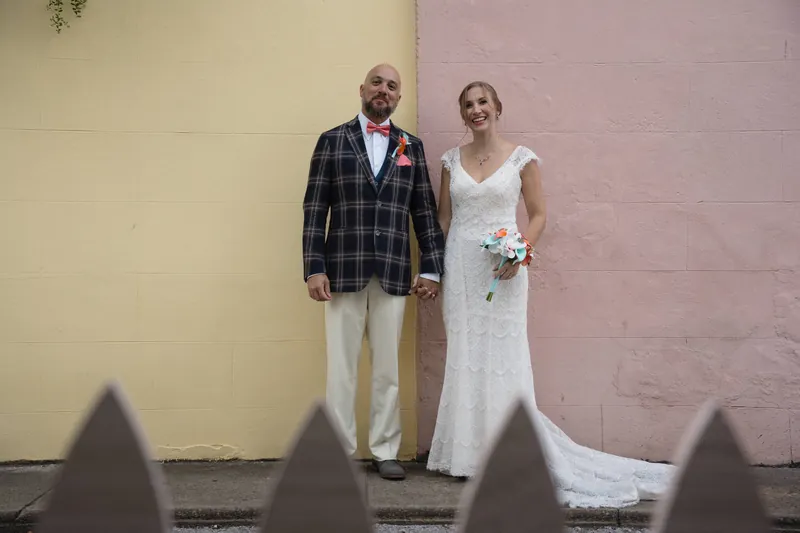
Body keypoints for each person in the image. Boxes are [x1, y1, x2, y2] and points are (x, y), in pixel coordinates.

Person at [425, 81, 675, 507]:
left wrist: (520, 252)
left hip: (504, 272)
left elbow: (539, 214)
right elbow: (444, 220)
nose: (475, 109)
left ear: (497, 107)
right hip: (462, 272)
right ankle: (468, 455)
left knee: (503, 358)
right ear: (463, 114)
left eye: (482, 101)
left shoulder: (522, 158)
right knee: (465, 354)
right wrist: (432, 271)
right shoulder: (451, 161)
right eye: (468, 105)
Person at [302, 63, 445, 480]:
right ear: (362, 89)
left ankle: (385, 450)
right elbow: (315, 209)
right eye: (377, 83)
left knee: (387, 369)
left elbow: (424, 213)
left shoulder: (411, 147)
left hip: (394, 270)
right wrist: (314, 267)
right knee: (341, 368)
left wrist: (432, 269)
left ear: (399, 98)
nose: (384, 90)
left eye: (392, 86)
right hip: (341, 271)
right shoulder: (332, 141)